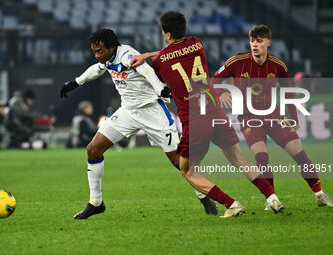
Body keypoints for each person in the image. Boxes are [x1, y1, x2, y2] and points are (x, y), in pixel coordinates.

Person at [130, 11, 285, 217]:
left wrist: (146, 56)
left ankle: (231, 204)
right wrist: (150, 54)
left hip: (194, 118)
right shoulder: (197, 43)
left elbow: (163, 60)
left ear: (166, 34)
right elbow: (176, 52)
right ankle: (272, 197)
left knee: (187, 170)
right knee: (238, 157)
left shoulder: (159, 62)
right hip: (215, 110)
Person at [61, 28, 218, 219]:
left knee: (179, 161)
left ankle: (204, 196)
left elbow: (147, 70)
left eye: (100, 51)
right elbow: (97, 69)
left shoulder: (128, 55)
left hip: (152, 111)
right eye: (94, 51)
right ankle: (96, 203)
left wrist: (161, 90)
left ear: (112, 47)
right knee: (93, 149)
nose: (97, 55)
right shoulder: (107, 59)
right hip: (128, 112)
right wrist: (76, 82)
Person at [212, 24, 333, 208]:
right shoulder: (237, 61)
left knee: (299, 154)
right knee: (262, 158)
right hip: (248, 118)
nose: (254, 45)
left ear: (268, 43)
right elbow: (213, 79)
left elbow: (288, 92)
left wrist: (293, 116)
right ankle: (272, 200)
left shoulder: (278, 65)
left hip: (273, 115)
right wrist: (221, 93)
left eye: (259, 41)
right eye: (252, 41)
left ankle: (320, 196)